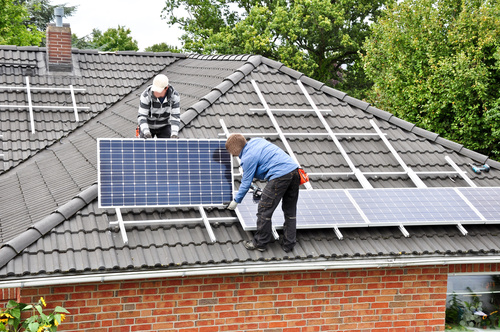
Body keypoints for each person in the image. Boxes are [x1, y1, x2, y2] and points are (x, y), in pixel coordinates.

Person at [225, 134, 301, 253]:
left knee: (264, 210)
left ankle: (260, 243)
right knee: (290, 211)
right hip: (295, 171)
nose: (232, 155)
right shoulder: (256, 141)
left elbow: (245, 183)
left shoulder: (247, 158)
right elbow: (265, 163)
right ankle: (289, 244)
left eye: (231, 152)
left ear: (235, 150)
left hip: (279, 176)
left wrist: (236, 201)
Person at [137, 74, 180, 139]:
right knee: (144, 147)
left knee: (169, 146)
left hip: (164, 126)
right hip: (148, 126)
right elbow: (142, 116)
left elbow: (175, 117)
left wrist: (174, 133)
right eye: (155, 90)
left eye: (158, 91)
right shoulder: (146, 96)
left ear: (166, 88)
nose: (155, 92)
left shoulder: (174, 97)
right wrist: (146, 132)